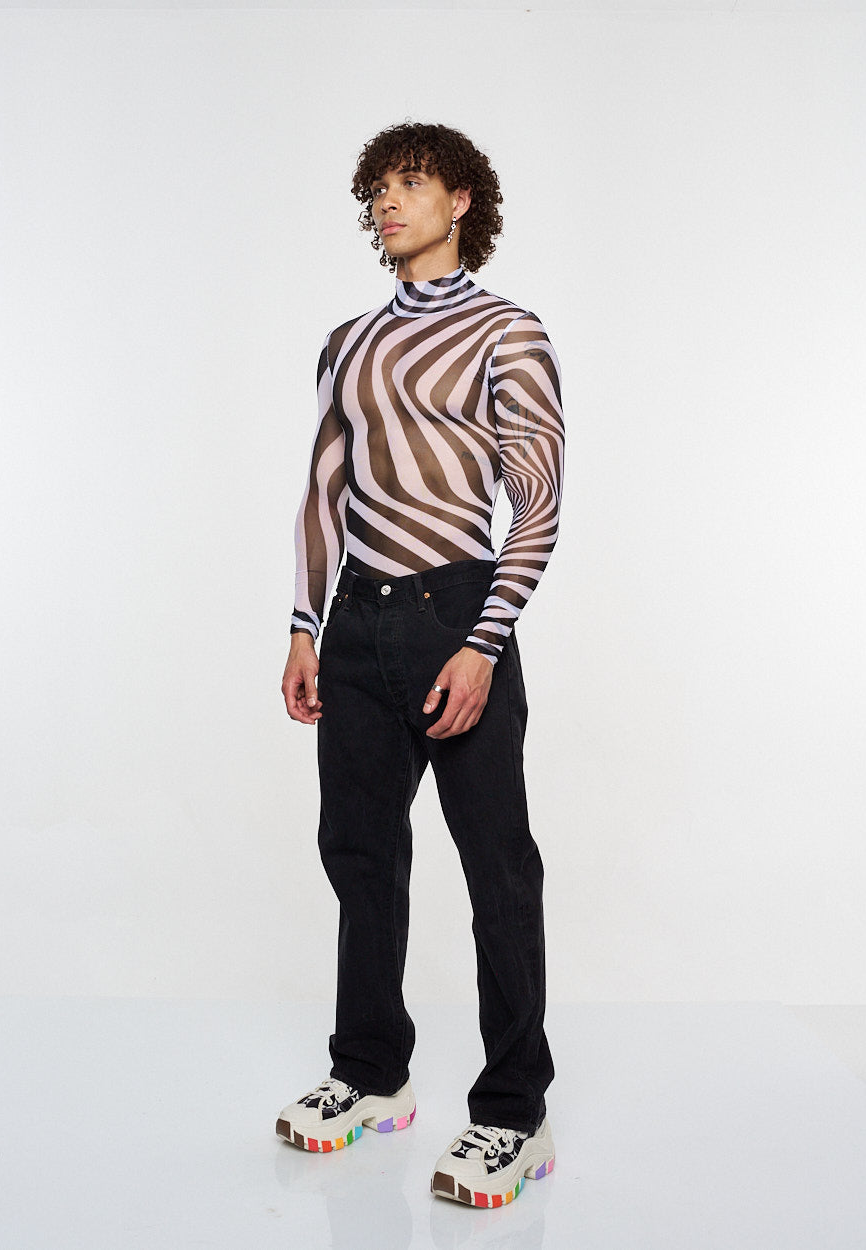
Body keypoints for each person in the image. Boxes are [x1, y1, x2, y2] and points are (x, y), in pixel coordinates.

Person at [275, 121, 565, 1209]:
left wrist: (483, 642)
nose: (388, 203)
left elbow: (537, 501)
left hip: (457, 609)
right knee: (358, 852)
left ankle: (514, 1113)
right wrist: (303, 626)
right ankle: (370, 1074)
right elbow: (323, 490)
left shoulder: (507, 332)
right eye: (378, 189)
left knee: (496, 864)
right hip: (356, 619)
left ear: (460, 201)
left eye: (411, 183)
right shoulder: (346, 342)